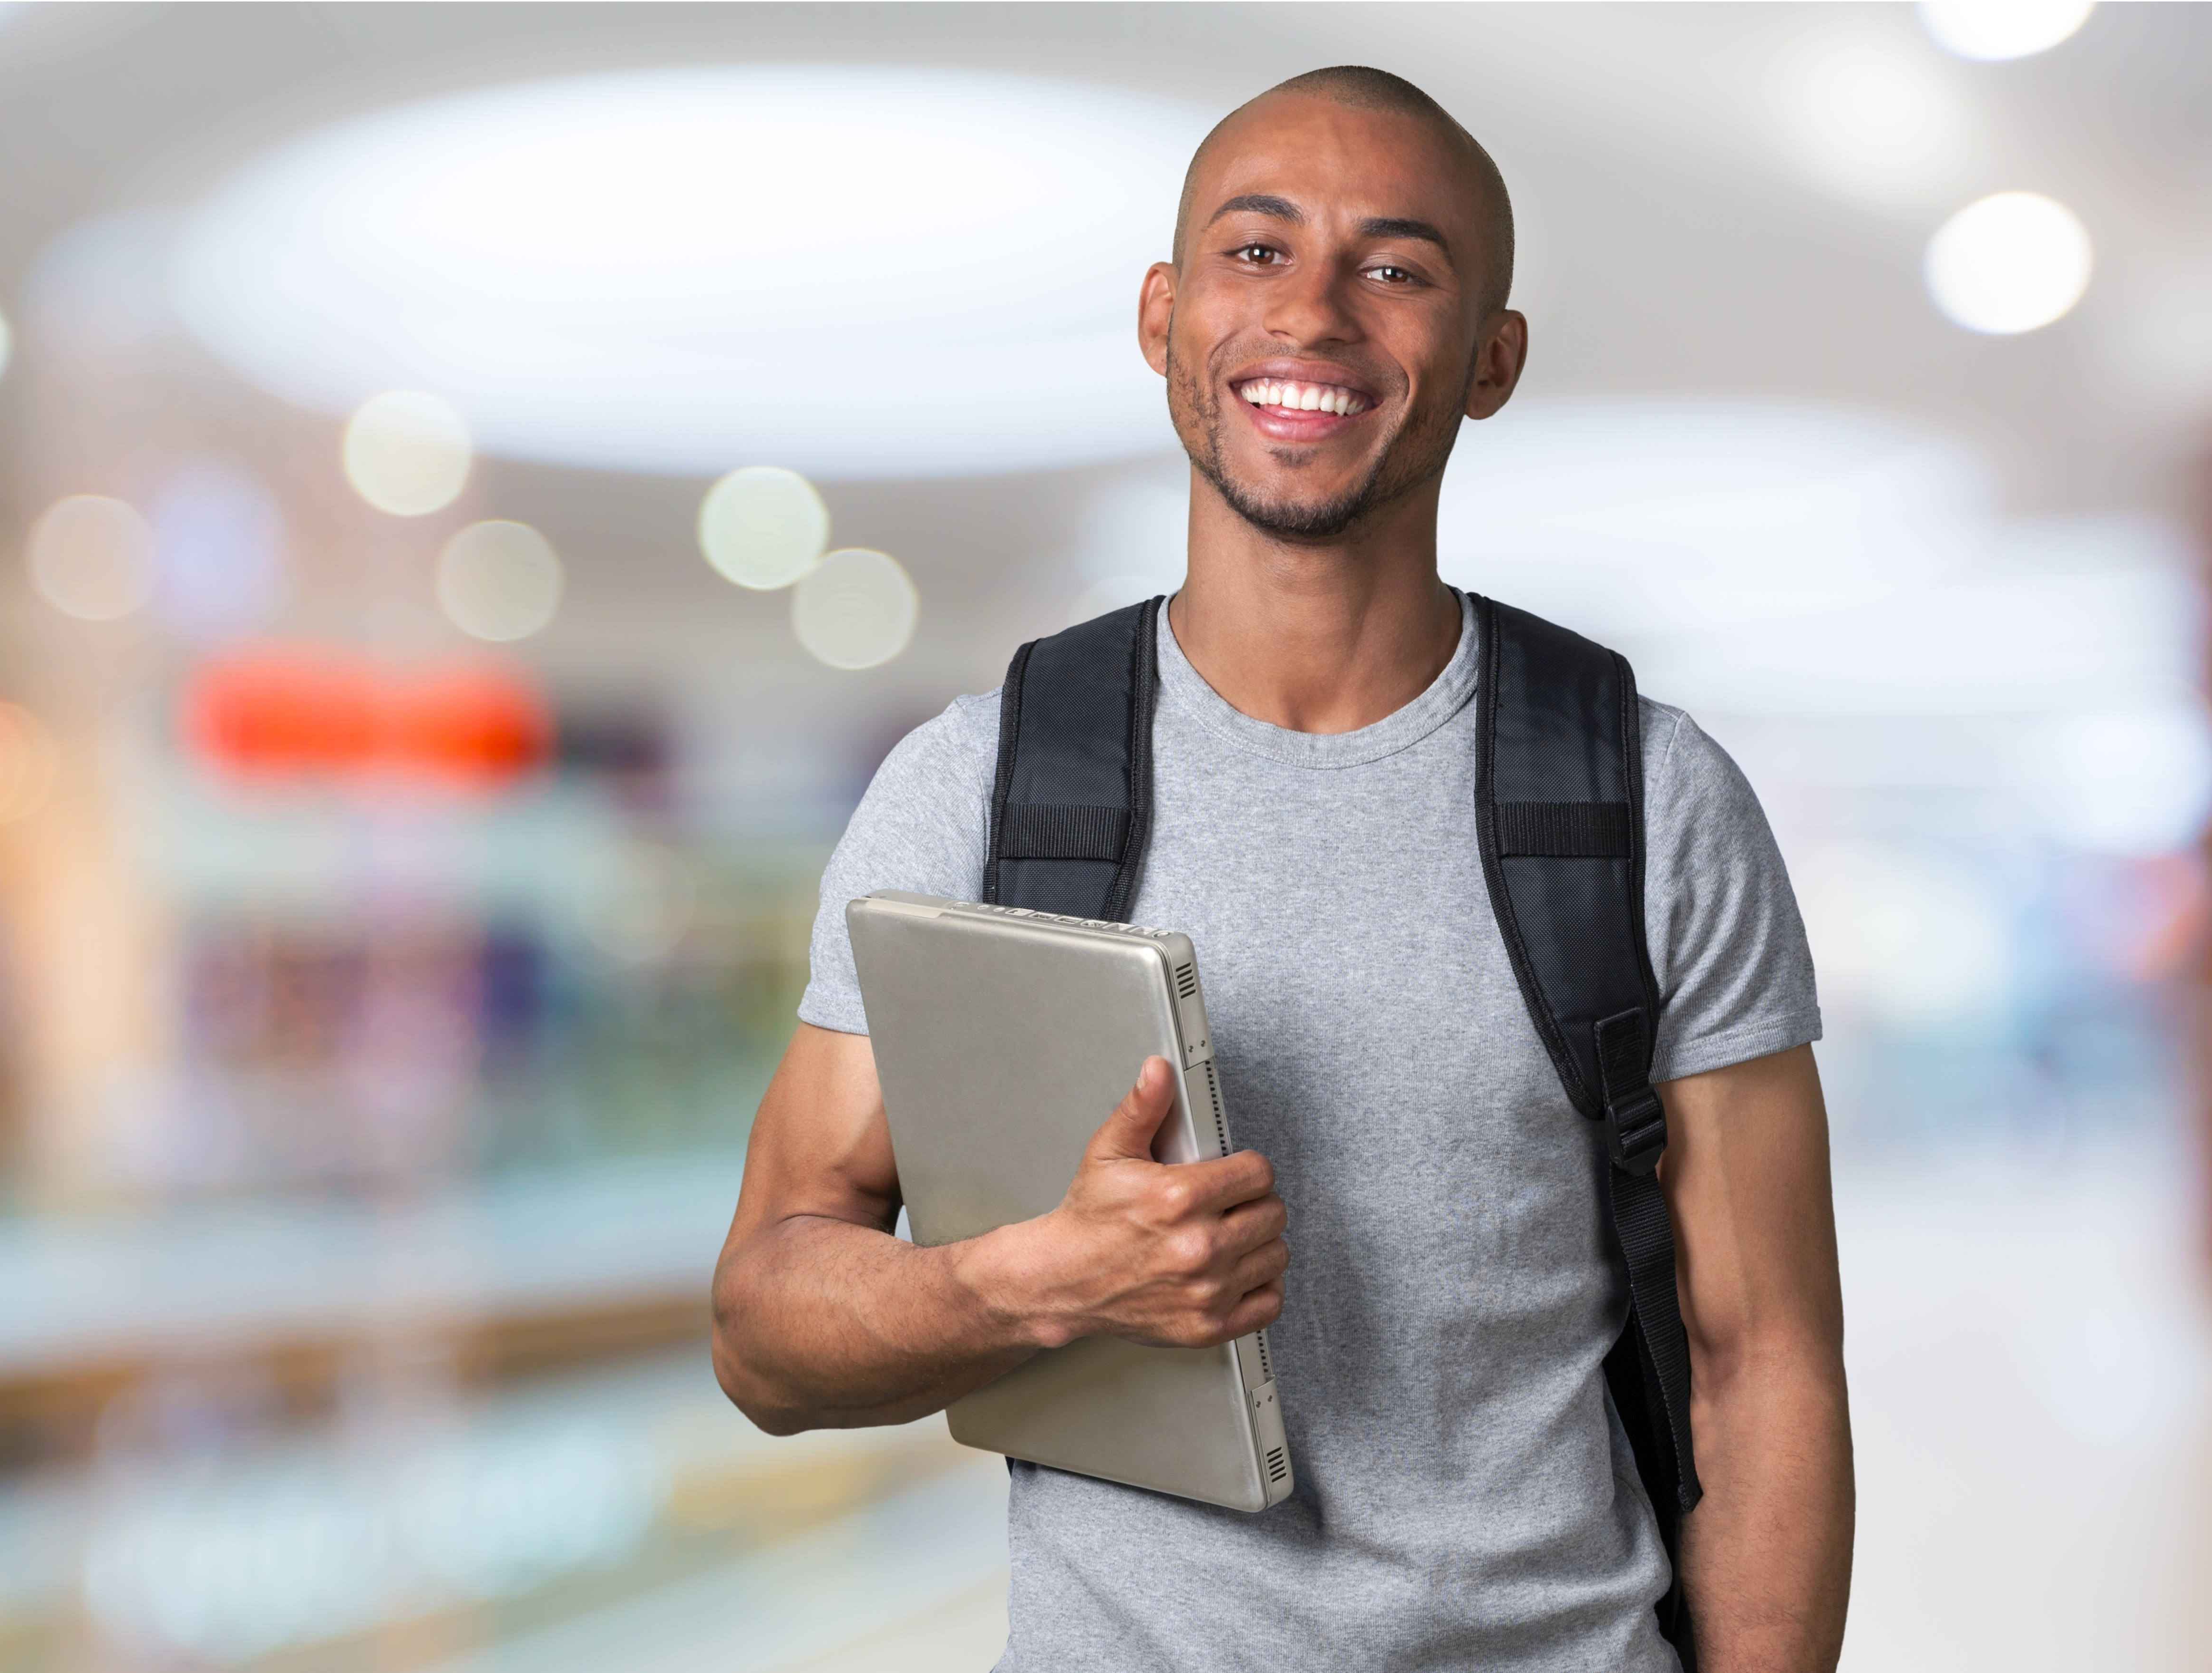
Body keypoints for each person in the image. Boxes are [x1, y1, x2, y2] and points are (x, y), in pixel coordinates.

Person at [712, 64, 1854, 1673]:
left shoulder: (1647, 798)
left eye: (1397, 268)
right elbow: (765, 1325)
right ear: (1164, 315)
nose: (1311, 314)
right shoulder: (978, 789)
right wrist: (1026, 1283)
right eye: (1256, 254)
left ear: (1493, 360)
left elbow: (1767, 1360)